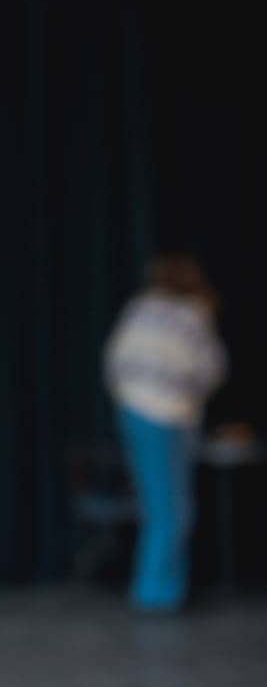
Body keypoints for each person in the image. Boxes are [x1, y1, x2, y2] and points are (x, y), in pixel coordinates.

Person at [102, 255, 228, 612]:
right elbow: (210, 369)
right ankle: (158, 593)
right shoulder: (192, 315)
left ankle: (156, 588)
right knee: (172, 509)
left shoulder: (140, 310)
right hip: (169, 415)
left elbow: (115, 362)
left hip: (133, 411)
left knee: (157, 504)